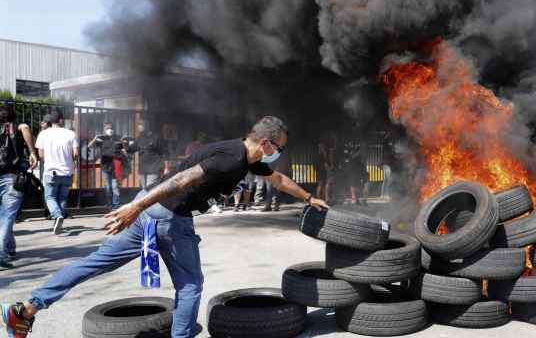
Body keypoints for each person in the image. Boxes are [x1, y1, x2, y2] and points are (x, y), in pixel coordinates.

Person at [0, 116, 328, 337]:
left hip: (150, 210)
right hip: (167, 217)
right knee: (190, 286)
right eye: (280, 148)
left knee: (93, 263)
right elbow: (184, 178)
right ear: (267, 143)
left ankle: (25, 309)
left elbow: (280, 179)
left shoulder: (242, 155)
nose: (279, 154)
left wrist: (309, 197)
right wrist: (135, 207)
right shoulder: (231, 159)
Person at [0, 106, 38, 270]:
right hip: (13, 178)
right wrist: (32, 152)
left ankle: (9, 248)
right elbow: (25, 127)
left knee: (4, 216)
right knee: (7, 217)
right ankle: (1, 253)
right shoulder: (18, 127)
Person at [35, 111, 79, 235]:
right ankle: (59, 219)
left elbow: (41, 154)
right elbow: (75, 154)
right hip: (67, 171)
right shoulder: (71, 133)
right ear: (61, 120)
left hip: (51, 171)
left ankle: (57, 215)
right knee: (62, 197)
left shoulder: (43, 134)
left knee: (50, 197)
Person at [88, 122, 126, 211]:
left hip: (115, 166)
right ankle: (109, 204)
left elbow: (123, 149)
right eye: (108, 128)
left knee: (115, 186)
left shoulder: (118, 138)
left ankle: (116, 205)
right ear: (105, 129)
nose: (110, 130)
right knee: (108, 187)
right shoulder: (102, 138)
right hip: (105, 166)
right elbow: (90, 146)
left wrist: (124, 143)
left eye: (111, 128)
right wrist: (95, 138)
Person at [127, 120, 169, 187]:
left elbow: (165, 152)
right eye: (139, 124)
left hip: (154, 168)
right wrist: (125, 144)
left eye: (141, 124)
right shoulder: (139, 138)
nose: (139, 126)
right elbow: (131, 150)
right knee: (144, 189)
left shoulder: (156, 137)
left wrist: (166, 167)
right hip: (142, 169)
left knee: (150, 188)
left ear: (146, 125)